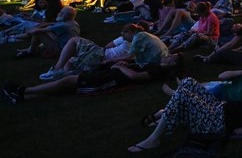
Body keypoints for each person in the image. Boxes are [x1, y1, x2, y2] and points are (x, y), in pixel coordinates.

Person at [127, 64, 242, 153]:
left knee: (183, 97)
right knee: (188, 82)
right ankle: (165, 116)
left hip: (220, 122)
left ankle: (153, 138)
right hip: (220, 109)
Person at [2, 53, 185, 104]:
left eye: (172, 57)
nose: (168, 55)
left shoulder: (158, 71)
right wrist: (123, 65)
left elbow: (137, 77)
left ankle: (23, 91)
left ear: (172, 64)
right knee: (66, 87)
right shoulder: (156, 65)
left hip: (112, 81)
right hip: (112, 75)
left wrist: (118, 68)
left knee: (67, 83)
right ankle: (23, 98)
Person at [15, 6, 80, 58]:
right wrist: (46, 25)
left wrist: (31, 30)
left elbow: (35, 31)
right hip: (69, 48)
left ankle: (30, 50)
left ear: (67, 16)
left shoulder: (63, 25)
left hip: (61, 50)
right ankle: (30, 48)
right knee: (45, 30)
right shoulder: (73, 23)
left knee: (38, 32)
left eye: (61, 13)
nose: (58, 14)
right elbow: (51, 25)